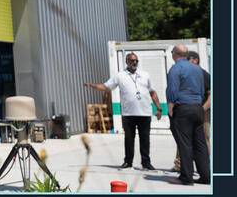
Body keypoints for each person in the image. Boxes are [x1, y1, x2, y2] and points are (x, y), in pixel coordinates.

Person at [84, 52, 161, 170]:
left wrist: (158, 108)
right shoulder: (120, 76)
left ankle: (146, 162)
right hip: (128, 113)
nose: (134, 62)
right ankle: (128, 162)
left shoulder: (145, 75)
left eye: (136, 61)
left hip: (145, 112)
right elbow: (106, 87)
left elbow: (152, 92)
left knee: (145, 139)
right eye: (131, 60)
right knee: (129, 139)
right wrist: (92, 86)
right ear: (126, 62)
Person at [165, 44, 210, 185]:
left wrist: (170, 107)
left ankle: (186, 177)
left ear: (175, 54)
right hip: (198, 108)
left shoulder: (175, 68)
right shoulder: (198, 69)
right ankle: (206, 176)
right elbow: (203, 90)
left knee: (184, 143)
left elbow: (172, 90)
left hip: (183, 108)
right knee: (200, 144)